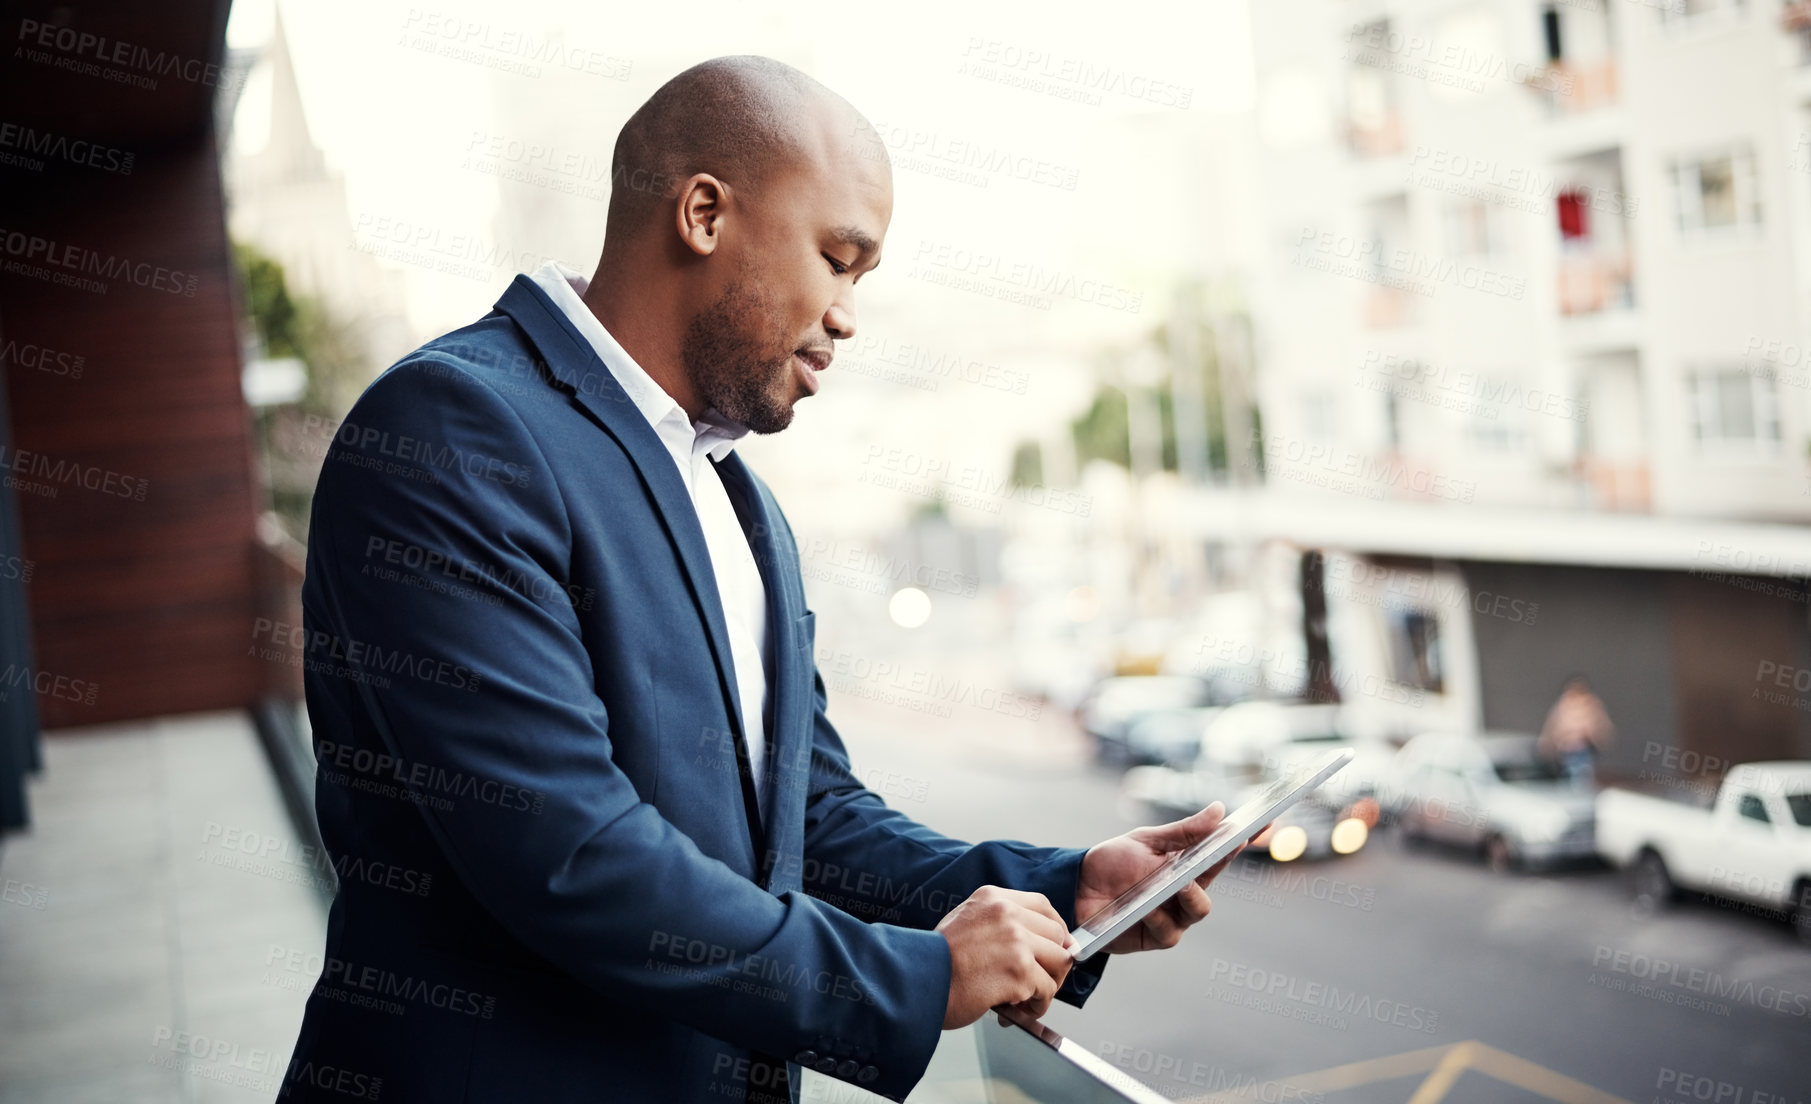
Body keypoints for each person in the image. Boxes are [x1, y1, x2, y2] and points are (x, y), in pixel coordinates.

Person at [280, 56, 1239, 1104]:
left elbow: (808, 820)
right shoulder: (450, 435)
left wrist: (1061, 892)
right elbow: (566, 854)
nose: (847, 316)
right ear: (701, 213)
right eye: (837, 259)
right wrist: (914, 977)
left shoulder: (741, 502)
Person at [1539, 674, 1616, 786]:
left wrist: (1598, 738)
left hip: (1584, 748)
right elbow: (1553, 724)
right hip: (1566, 749)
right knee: (1568, 777)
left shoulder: (1591, 704)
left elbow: (1601, 725)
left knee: (1582, 776)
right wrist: (1547, 744)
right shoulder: (1564, 704)